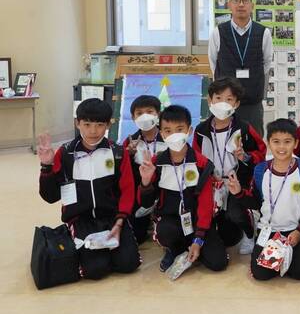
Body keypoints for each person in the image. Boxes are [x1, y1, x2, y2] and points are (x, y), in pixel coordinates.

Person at [37, 98, 140, 280]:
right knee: (95, 270)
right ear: (78, 124)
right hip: (80, 219)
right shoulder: (66, 153)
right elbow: (50, 196)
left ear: (108, 124)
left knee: (128, 264)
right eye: (87, 124)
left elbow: (127, 190)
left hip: (112, 219)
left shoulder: (117, 152)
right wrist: (46, 166)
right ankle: (77, 241)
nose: (93, 131)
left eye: (100, 125)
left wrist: (119, 222)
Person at [229, 118, 300, 281]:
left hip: (296, 230)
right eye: (276, 142)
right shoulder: (260, 170)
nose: (281, 147)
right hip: (269, 231)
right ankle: (282, 258)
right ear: (269, 143)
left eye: (287, 142)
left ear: (295, 143)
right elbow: (256, 202)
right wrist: (239, 193)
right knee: (261, 275)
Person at [140, 105, 228, 273]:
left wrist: (199, 239)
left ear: (189, 130)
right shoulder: (155, 163)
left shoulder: (202, 164)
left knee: (218, 263)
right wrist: (145, 182)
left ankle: (194, 245)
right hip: (170, 221)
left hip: (197, 222)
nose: (174, 135)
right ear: (161, 133)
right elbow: (146, 203)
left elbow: (205, 204)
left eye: (179, 129)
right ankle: (174, 248)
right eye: (168, 131)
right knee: (166, 232)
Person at [193, 77, 267, 255]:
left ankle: (250, 234)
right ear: (210, 100)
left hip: (236, 181)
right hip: (212, 182)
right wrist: (206, 177)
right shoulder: (201, 130)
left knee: (235, 213)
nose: (223, 103)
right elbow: (195, 157)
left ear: (236, 104)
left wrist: (246, 156)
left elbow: (262, 153)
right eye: (218, 98)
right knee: (224, 233)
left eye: (229, 99)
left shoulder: (244, 128)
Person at [208, 0, 274, 135]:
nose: (241, 5)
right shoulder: (218, 32)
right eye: (236, 0)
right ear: (229, 5)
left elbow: (267, 63)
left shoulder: (264, 32)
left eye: (245, 0)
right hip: (224, 103)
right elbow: (213, 63)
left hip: (252, 102)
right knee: (223, 142)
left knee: (253, 144)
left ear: (252, 6)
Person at [122, 94, 166, 244]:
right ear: (133, 118)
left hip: (165, 192)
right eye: (139, 113)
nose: (145, 116)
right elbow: (123, 174)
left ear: (158, 114)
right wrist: (128, 155)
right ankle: (146, 219)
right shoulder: (129, 142)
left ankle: (158, 217)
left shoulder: (169, 137)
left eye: (149, 111)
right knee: (137, 237)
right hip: (141, 194)